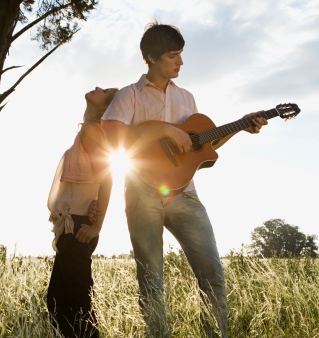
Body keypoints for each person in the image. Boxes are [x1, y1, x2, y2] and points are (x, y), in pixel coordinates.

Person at [101, 22, 268, 338]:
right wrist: (163, 129)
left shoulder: (187, 98)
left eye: (181, 55)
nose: (180, 62)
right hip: (142, 194)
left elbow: (201, 147)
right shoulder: (129, 95)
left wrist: (240, 126)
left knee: (213, 275)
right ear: (151, 57)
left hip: (186, 196)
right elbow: (111, 136)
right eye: (173, 55)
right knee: (151, 281)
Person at [46, 86, 118, 338]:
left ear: (103, 106)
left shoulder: (91, 131)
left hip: (78, 228)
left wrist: (97, 226)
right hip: (71, 226)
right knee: (57, 302)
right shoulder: (87, 131)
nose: (98, 87)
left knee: (79, 307)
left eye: (104, 90)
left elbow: (107, 177)